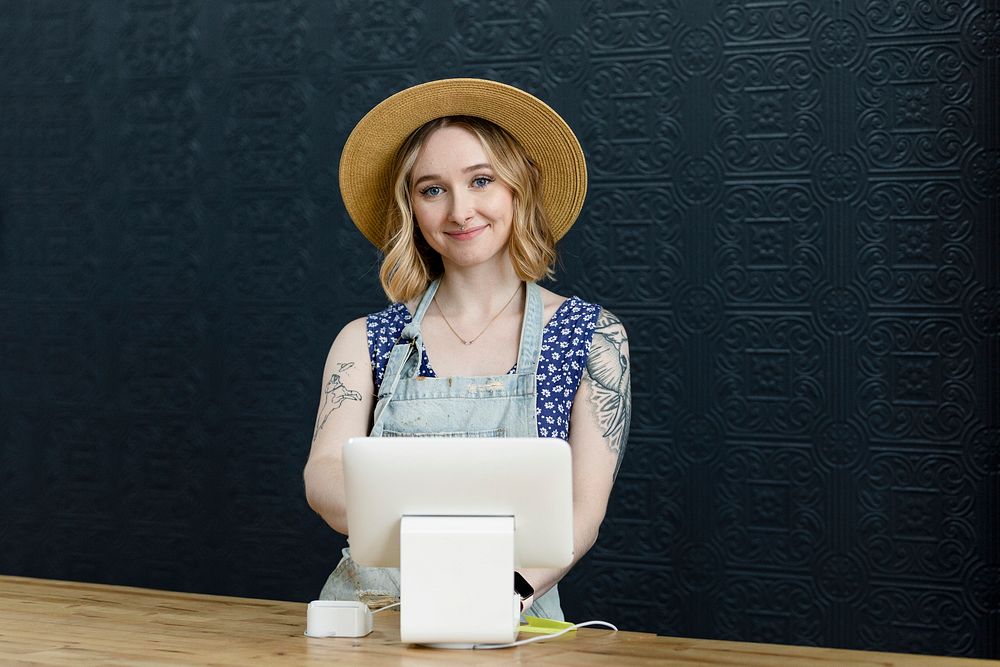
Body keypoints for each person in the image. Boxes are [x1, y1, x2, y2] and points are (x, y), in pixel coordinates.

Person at [303, 78, 631, 621]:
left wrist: (496, 595)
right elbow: (323, 479)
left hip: (509, 617)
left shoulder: (589, 337)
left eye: (481, 180)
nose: (460, 211)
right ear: (410, 206)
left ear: (519, 186)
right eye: (432, 189)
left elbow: (583, 512)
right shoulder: (365, 340)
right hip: (370, 616)